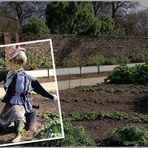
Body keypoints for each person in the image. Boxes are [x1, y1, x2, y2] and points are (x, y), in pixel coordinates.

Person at [0, 45, 58, 143]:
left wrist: (51, 96)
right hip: (10, 103)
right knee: (2, 125)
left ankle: (18, 134)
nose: (12, 63)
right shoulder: (7, 74)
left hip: (24, 104)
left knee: (17, 112)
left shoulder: (29, 78)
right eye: (12, 61)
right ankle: (9, 125)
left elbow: (40, 90)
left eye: (16, 62)